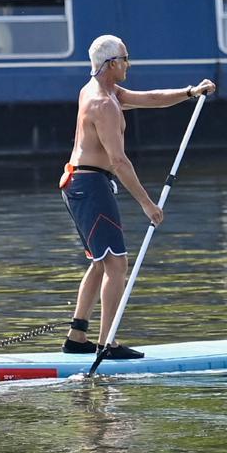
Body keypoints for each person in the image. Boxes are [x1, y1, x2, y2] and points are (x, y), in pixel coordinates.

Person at [59, 34, 215, 358]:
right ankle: (107, 344)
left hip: (79, 183)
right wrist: (148, 204)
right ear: (111, 63)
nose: (129, 64)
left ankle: (77, 336)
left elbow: (151, 98)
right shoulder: (103, 103)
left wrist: (190, 93)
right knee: (117, 263)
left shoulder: (102, 91)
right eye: (126, 58)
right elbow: (119, 161)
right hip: (90, 185)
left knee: (102, 263)